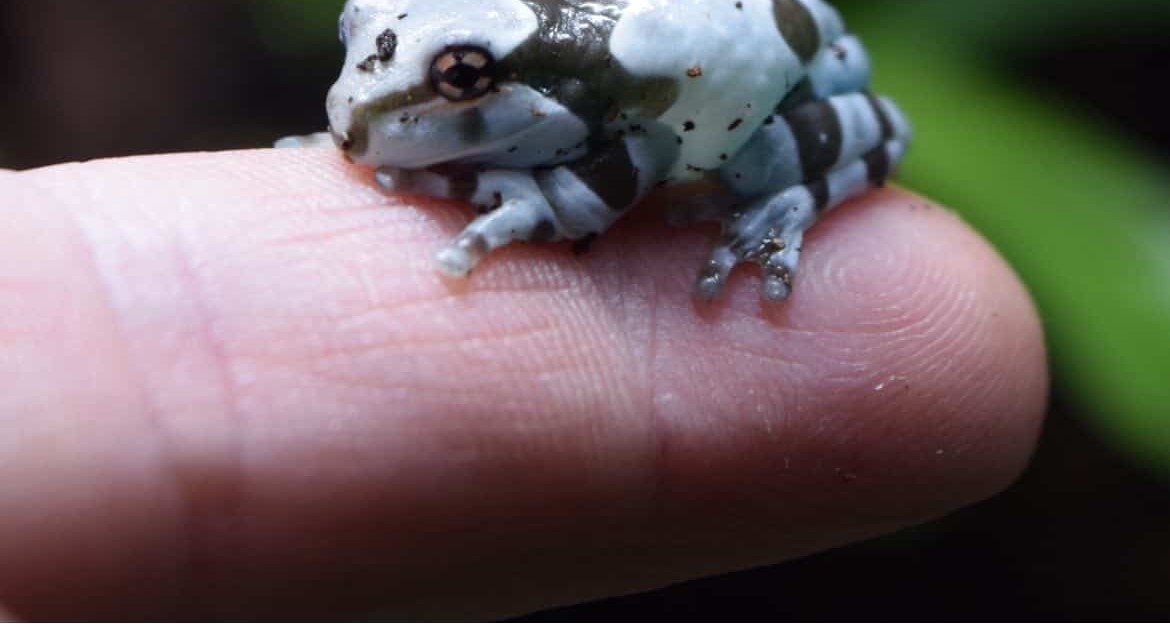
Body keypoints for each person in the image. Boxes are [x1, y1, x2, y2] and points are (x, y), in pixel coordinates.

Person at [0, 149, 1046, 618]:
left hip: (770, 89)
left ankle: (788, 201)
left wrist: (523, 207)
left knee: (761, 151)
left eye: (456, 80)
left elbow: (628, 162)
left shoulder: (593, 101)